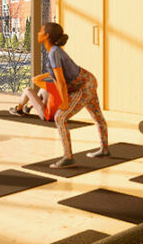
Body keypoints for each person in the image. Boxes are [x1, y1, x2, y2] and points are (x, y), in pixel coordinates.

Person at [39, 21, 109, 168]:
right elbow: (57, 79)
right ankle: (104, 149)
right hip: (88, 81)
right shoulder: (53, 52)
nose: (38, 33)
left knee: (60, 117)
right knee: (97, 116)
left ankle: (68, 157)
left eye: (41, 31)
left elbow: (61, 82)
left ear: (47, 36)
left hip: (84, 86)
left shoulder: (54, 53)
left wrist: (64, 103)